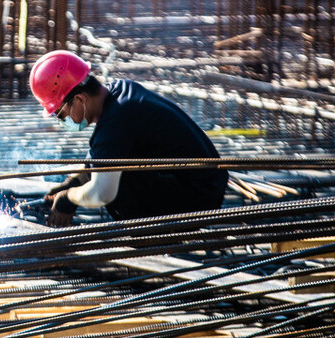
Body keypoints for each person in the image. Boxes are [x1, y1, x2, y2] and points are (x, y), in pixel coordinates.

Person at [29, 50, 227, 226]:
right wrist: (74, 181)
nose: (61, 121)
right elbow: (98, 159)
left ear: (80, 99)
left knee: (116, 186)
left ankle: (150, 242)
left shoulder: (115, 124)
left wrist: (68, 198)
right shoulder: (120, 93)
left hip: (199, 198)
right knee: (106, 170)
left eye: (60, 114)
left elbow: (102, 193)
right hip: (208, 184)